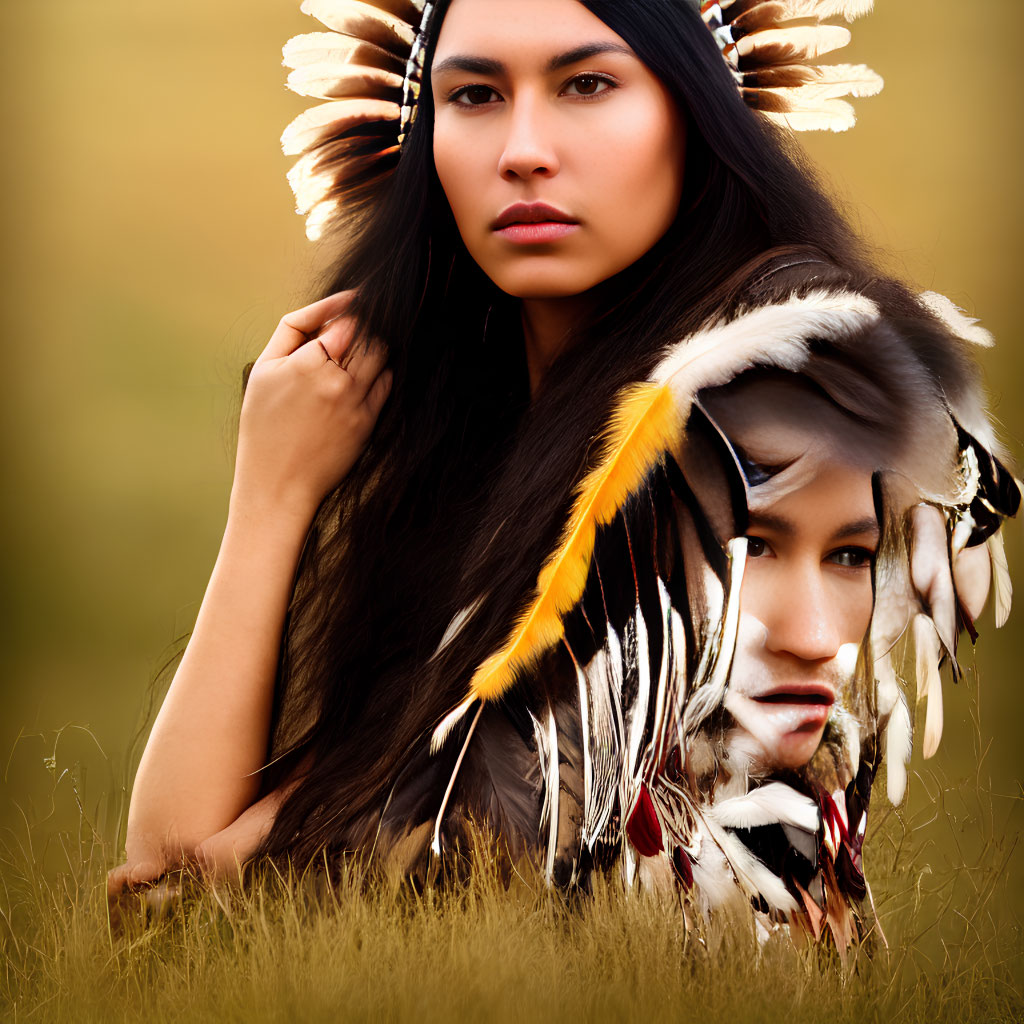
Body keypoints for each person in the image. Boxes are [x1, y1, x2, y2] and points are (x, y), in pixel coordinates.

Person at [109, 0, 1017, 928]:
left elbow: (192, 902)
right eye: (474, 94)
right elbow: (171, 859)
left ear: (694, 115)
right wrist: (273, 490)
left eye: (587, 84)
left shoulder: (768, 381)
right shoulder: (483, 454)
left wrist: (221, 876)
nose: (524, 149)